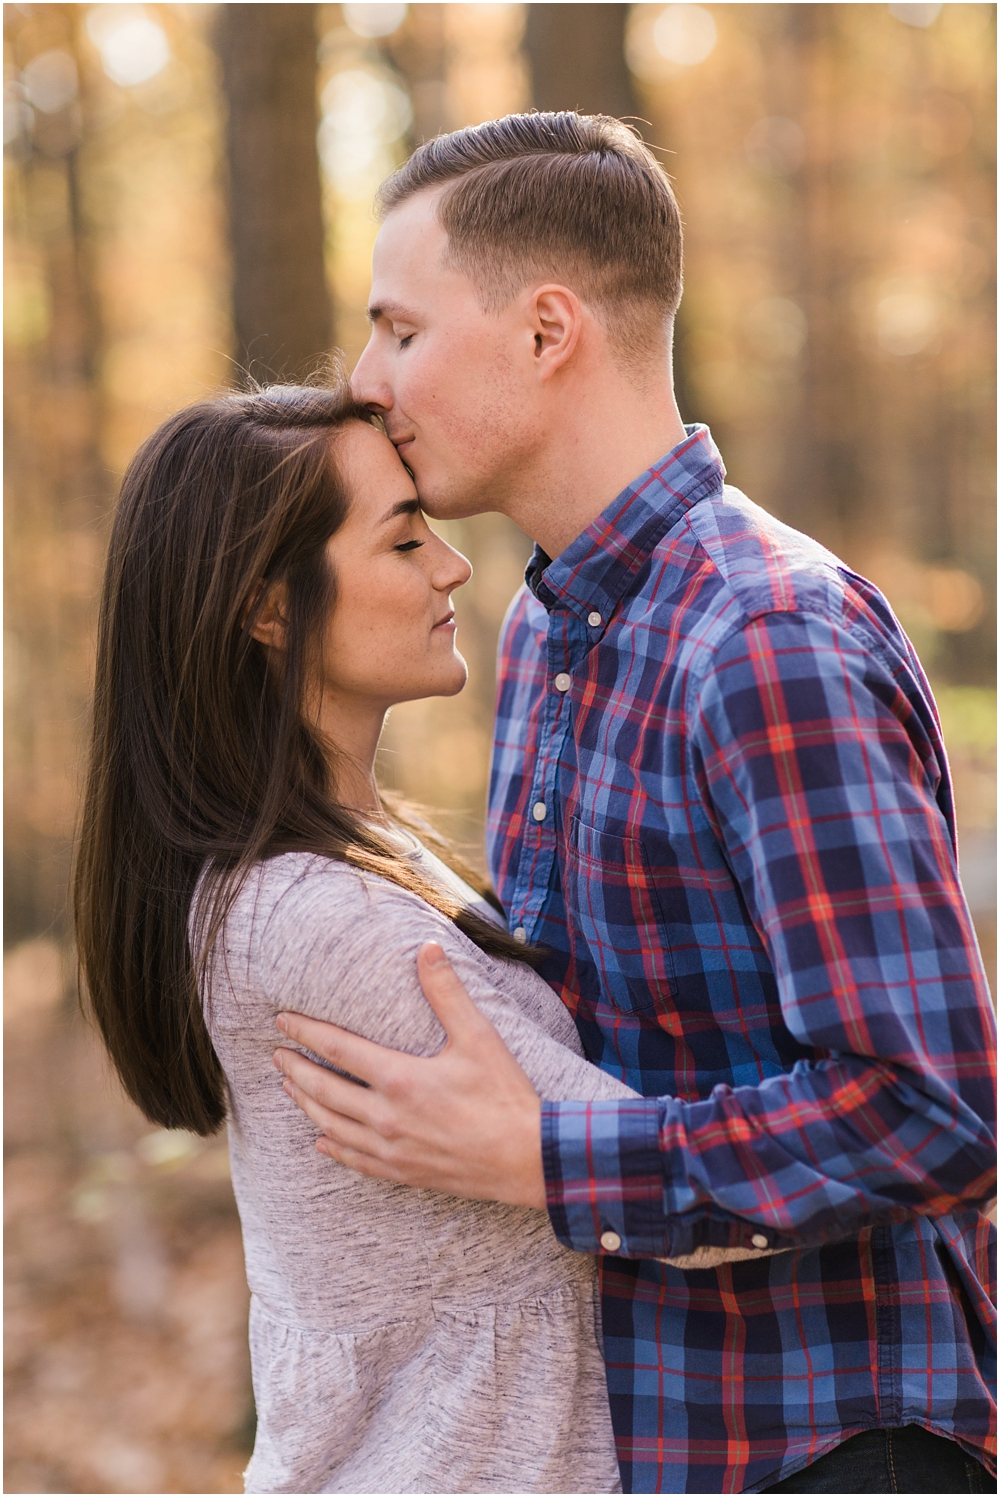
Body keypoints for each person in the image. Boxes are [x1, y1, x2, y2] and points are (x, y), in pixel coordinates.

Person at [274, 113, 998, 1494]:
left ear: (549, 332)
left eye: (400, 329)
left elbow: (932, 1110)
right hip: (647, 1436)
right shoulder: (552, 624)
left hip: (831, 1446)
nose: (369, 382)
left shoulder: (766, 637)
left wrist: (545, 1158)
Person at [74, 380, 681, 1494]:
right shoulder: (324, 924)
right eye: (404, 541)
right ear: (268, 608)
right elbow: (701, 1209)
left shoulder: (335, 868)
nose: (452, 567)